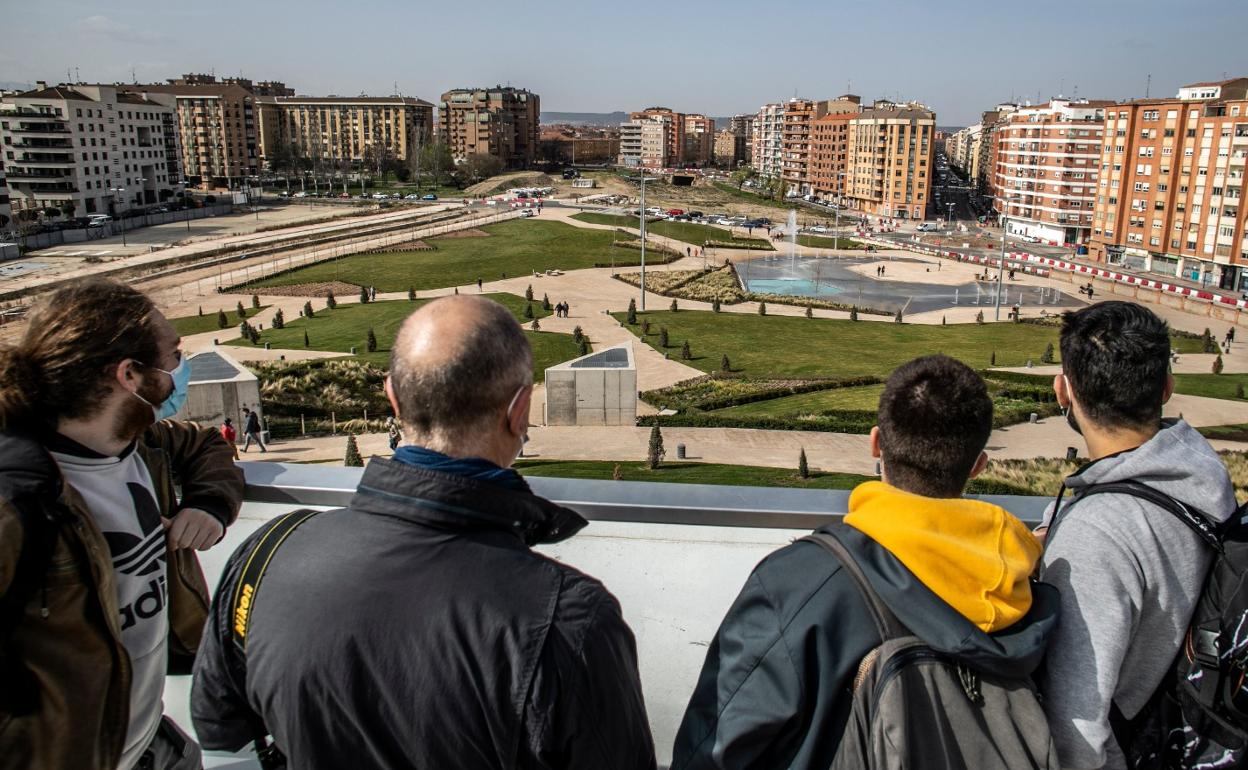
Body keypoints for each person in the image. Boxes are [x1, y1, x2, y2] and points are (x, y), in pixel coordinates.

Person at [192, 295, 656, 770]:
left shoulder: (266, 555)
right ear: (520, 412)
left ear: (392, 397)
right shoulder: (568, 619)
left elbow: (222, 736)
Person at [672, 355, 1057, 770]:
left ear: (875, 443)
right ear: (979, 466)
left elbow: (715, 749)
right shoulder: (1026, 587)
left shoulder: (799, 583)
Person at [0, 277, 244, 770]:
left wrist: (211, 505)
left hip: (147, 740)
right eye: (173, 353)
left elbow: (204, 445)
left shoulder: (136, 442)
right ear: (130, 375)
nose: (182, 366)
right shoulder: (16, 503)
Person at [1037, 302, 1237, 769]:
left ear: (1062, 391)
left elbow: (1076, 728)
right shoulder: (1203, 473)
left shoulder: (1098, 534)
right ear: (1166, 387)